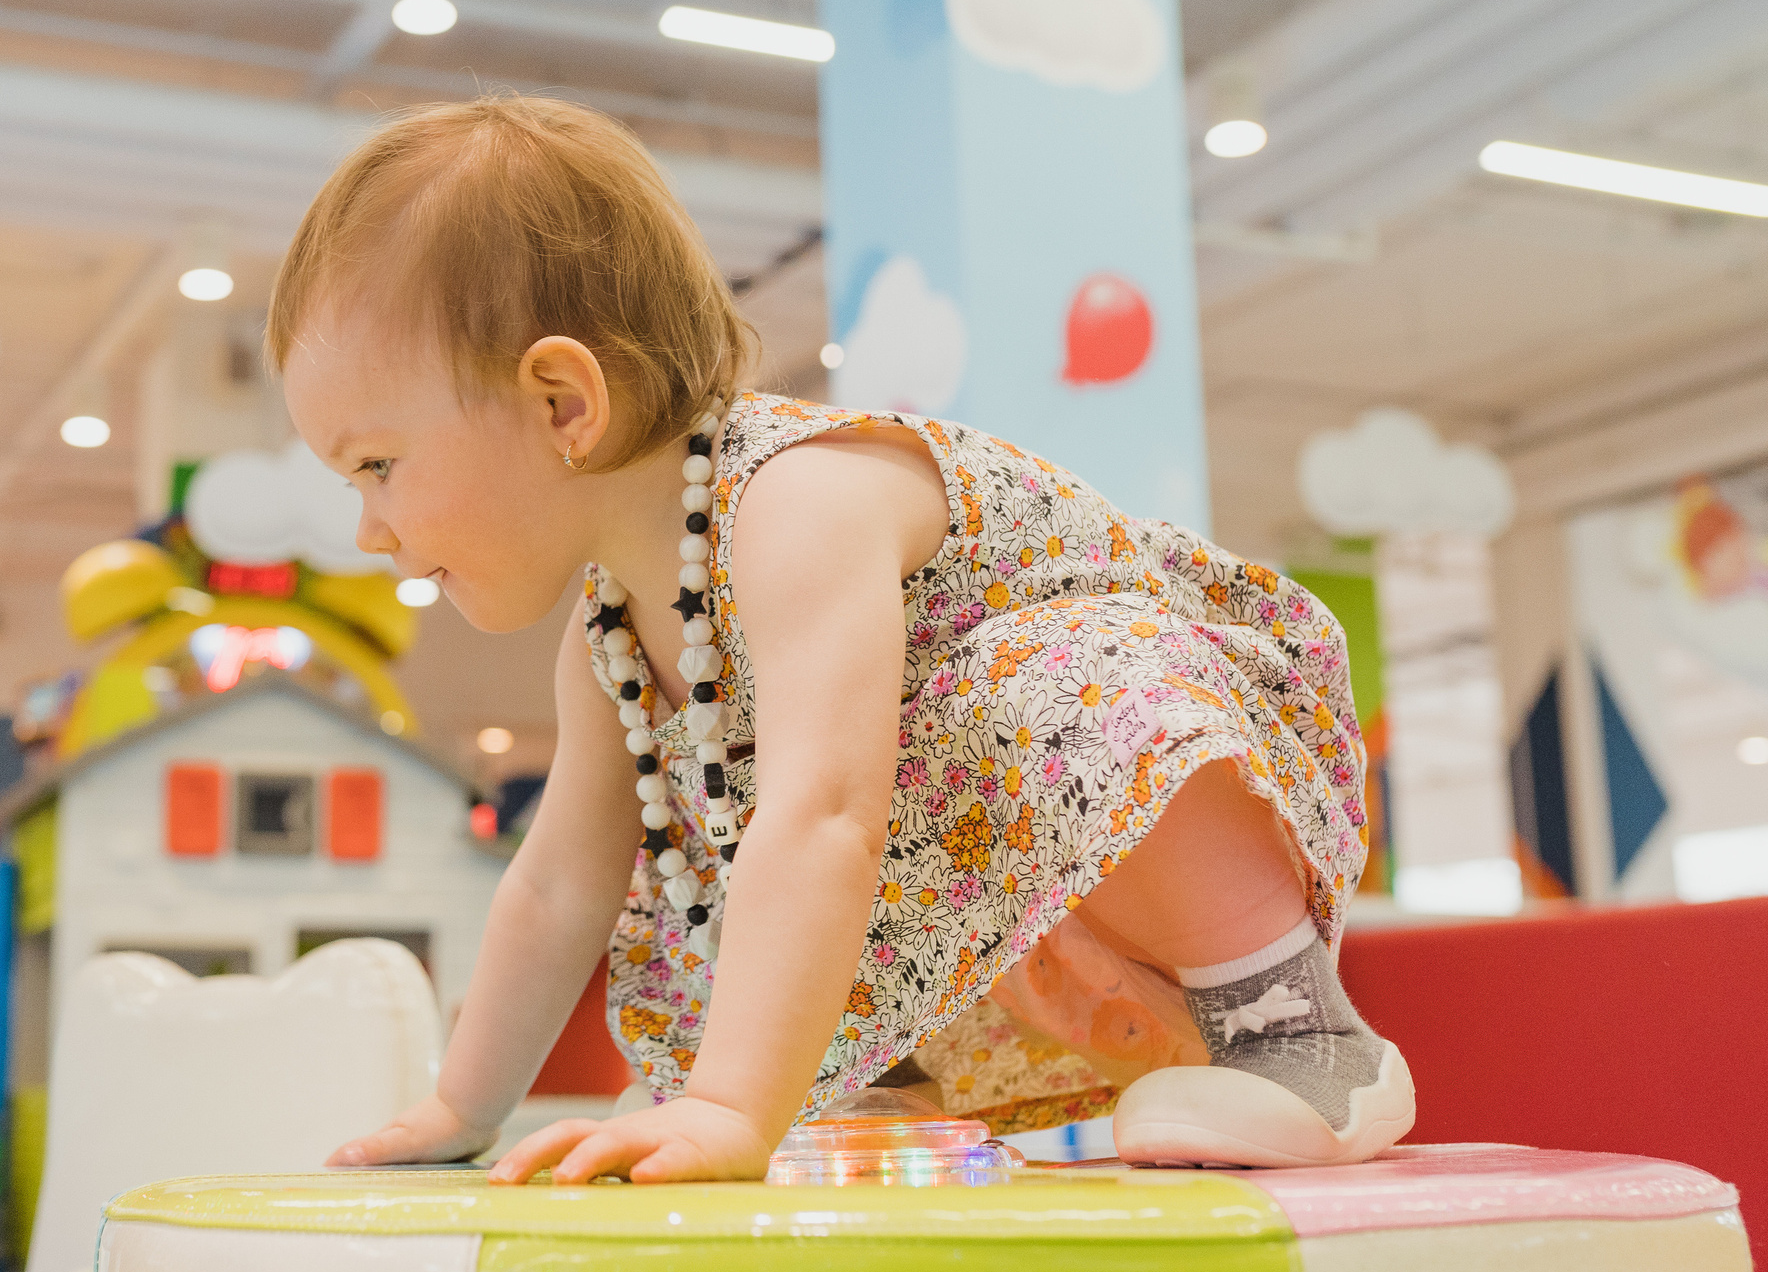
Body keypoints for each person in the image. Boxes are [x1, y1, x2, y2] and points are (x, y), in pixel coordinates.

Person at [272, 95, 1414, 1178]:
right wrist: (461, 1108)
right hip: (1002, 893)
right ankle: (877, 1080)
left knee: (972, 728)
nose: (368, 528)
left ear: (563, 404)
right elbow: (555, 886)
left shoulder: (793, 507)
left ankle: (1295, 1032)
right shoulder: (610, 632)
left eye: (377, 465)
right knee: (715, 842)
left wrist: (730, 1108)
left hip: (1163, 782)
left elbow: (826, 821)